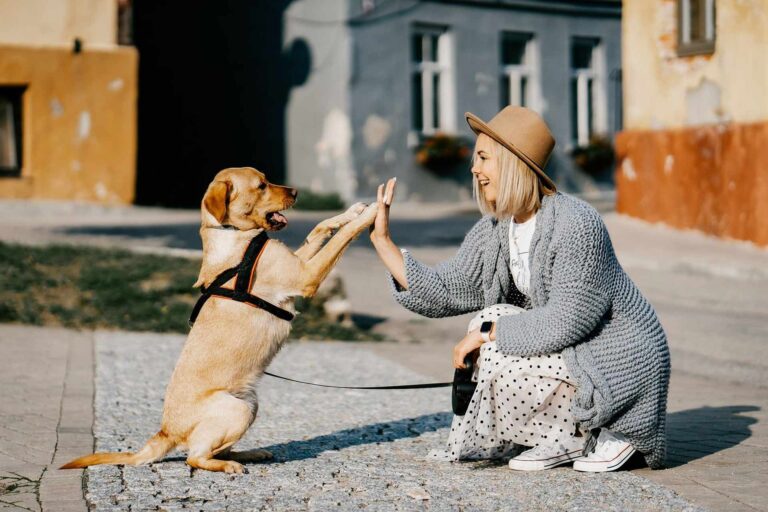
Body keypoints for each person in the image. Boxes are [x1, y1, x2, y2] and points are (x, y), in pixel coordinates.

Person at [369, 106, 670, 472]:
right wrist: (383, 242)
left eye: (483, 158)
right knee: (490, 319)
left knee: (491, 331)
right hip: (574, 353)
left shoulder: (577, 224)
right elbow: (449, 288)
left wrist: (486, 335)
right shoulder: (497, 228)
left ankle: (602, 429)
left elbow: (567, 320)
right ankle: (559, 436)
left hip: (618, 360)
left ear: (512, 162)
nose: (473, 169)